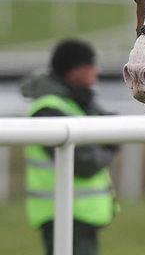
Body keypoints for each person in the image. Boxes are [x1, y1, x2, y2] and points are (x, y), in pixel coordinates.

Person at [21, 39, 119, 255]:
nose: (97, 70)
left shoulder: (77, 102)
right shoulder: (48, 109)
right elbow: (85, 163)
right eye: (90, 64)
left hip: (78, 216)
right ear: (74, 70)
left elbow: (115, 131)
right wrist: (107, 150)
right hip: (64, 215)